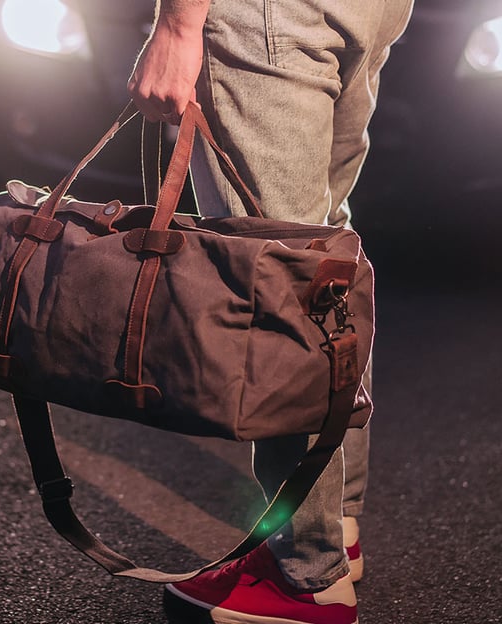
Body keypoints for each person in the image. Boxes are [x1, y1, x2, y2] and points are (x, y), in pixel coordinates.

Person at [129, 1, 413, 622]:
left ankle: (305, 572)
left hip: (268, 13)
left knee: (276, 273)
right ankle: (332, 526)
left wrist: (178, 22)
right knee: (321, 252)